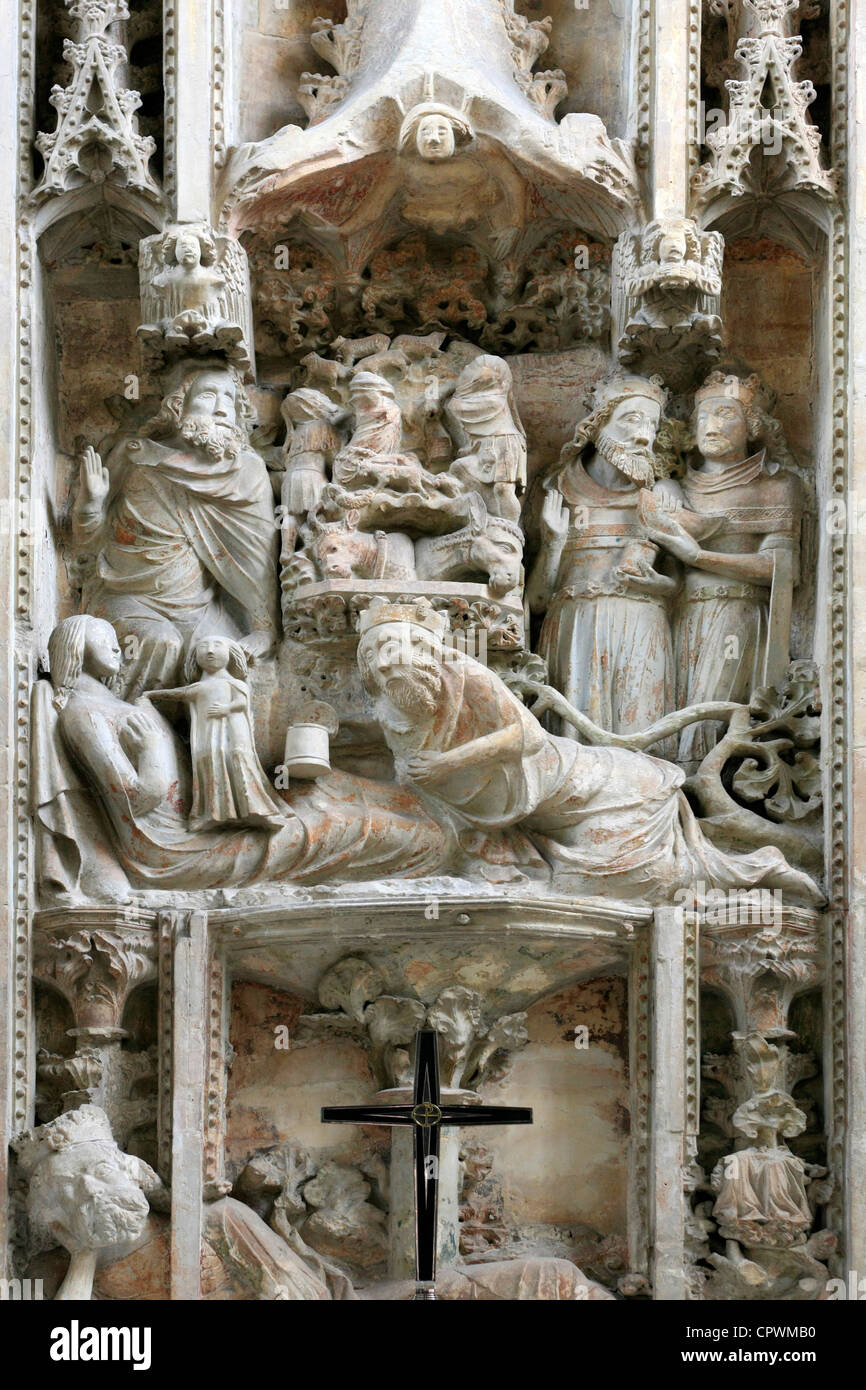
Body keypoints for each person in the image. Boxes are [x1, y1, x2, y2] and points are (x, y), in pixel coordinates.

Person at [356, 599, 822, 905]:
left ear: (427, 650)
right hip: (522, 818)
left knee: (603, 889)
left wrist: (447, 763)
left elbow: (530, 738)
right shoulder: (389, 702)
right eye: (377, 655)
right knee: (571, 886)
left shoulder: (466, 675)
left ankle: (757, 871)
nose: (387, 661)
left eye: (398, 650)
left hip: (590, 790)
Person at [73, 363, 279, 700]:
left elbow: (257, 562)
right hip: (130, 598)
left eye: (230, 398)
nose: (221, 408)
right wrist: (90, 504)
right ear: (178, 405)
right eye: (208, 396)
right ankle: (121, 716)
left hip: (199, 608)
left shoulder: (248, 473)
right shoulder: (135, 455)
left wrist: (262, 629)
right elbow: (87, 542)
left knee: (222, 670)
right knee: (159, 642)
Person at [527, 374, 678, 746]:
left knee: (641, 741)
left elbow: (680, 586)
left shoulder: (662, 496)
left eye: (652, 425)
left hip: (643, 627)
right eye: (630, 419)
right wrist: (553, 545)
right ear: (597, 426)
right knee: (577, 747)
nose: (643, 436)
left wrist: (659, 586)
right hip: (577, 627)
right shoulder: (557, 490)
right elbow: (535, 602)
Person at [147, 636, 285, 832]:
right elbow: (177, 693)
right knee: (209, 764)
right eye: (203, 647)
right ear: (195, 657)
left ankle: (258, 811)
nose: (210, 651)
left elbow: (242, 703)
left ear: (231, 654)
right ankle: (210, 813)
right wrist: (150, 695)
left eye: (217, 646)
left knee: (239, 762)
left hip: (234, 735)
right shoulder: (198, 687)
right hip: (207, 738)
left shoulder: (235, 684)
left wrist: (227, 708)